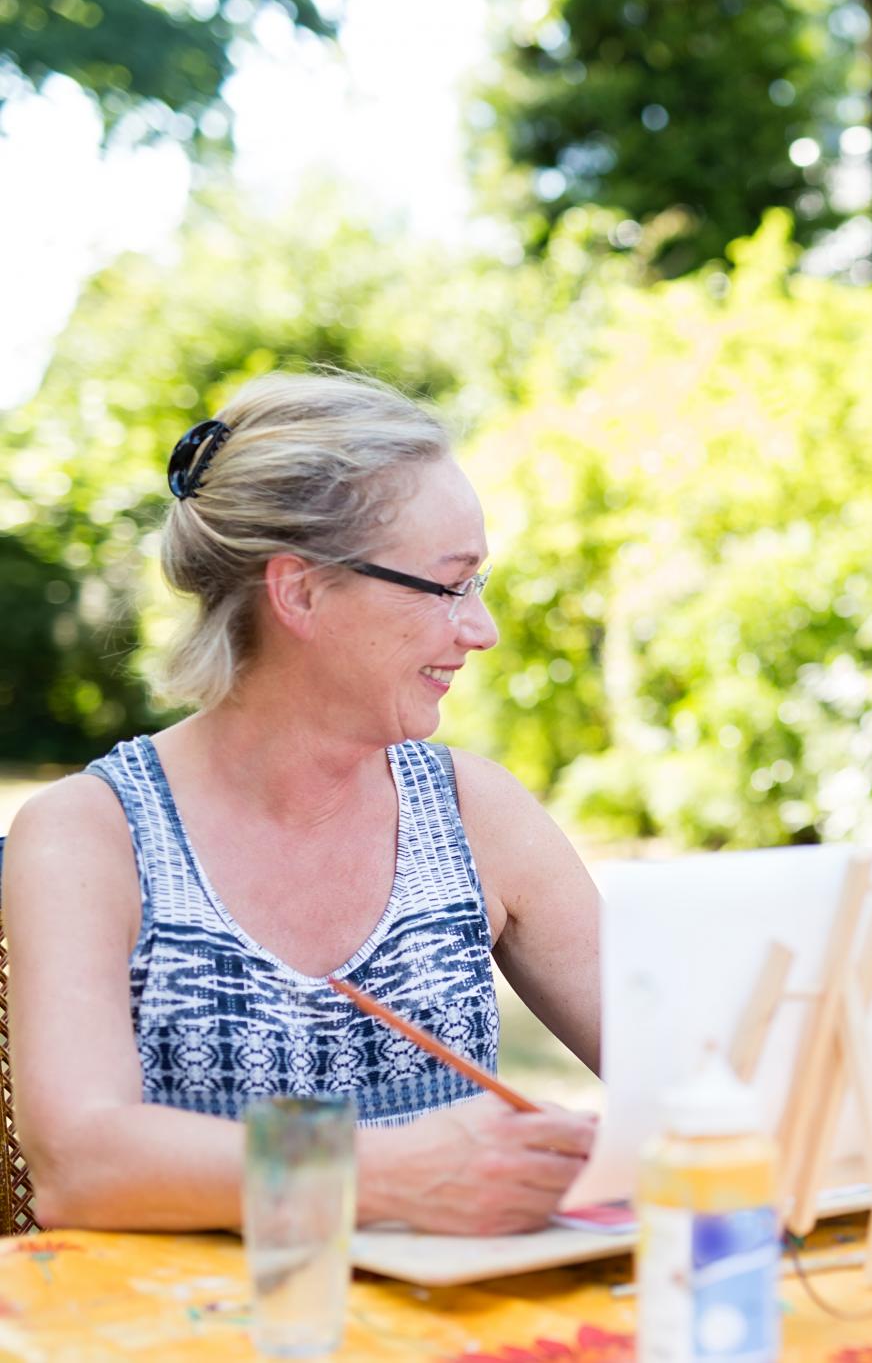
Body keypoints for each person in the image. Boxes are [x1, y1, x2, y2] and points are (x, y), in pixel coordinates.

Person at [3, 373, 602, 1235]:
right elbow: (79, 1163)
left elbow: (686, 1070)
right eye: (451, 585)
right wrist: (390, 1174)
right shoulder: (89, 835)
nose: (482, 629)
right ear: (301, 591)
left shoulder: (476, 811)